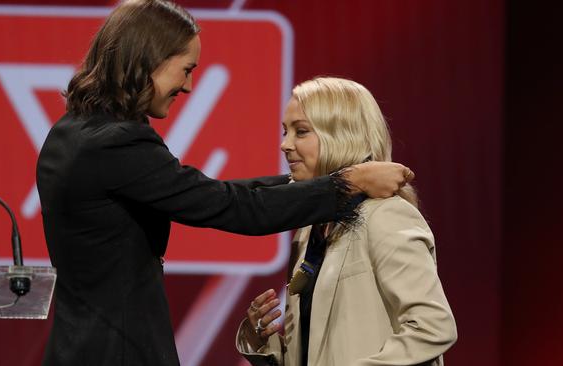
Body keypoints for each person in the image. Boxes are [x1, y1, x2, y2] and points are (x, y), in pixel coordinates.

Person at [36, 1, 413, 365]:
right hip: (116, 352)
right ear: (150, 60)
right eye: (186, 69)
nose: (187, 86)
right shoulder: (117, 143)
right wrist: (345, 184)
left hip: (77, 347)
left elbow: (215, 193)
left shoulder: (71, 132)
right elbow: (232, 208)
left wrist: (312, 180)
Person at [236, 77, 457, 366]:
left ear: (341, 135)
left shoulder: (386, 215)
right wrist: (260, 338)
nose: (284, 144)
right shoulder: (310, 229)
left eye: (301, 132)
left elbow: (433, 327)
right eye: (285, 131)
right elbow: (316, 349)